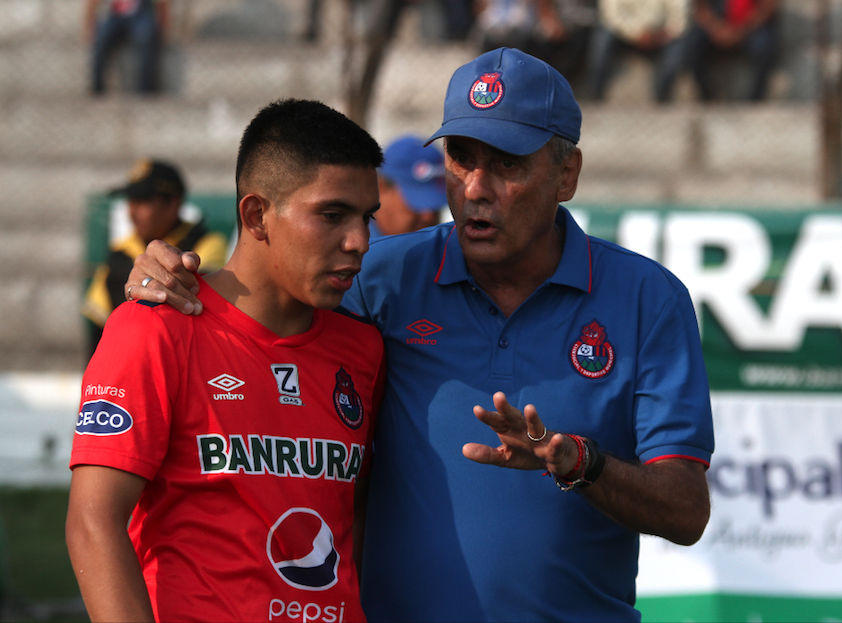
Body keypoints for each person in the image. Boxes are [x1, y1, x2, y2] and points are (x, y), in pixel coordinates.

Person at [127, 48, 714, 622]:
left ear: (567, 174)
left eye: (507, 163)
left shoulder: (647, 300)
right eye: (461, 157)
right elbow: (262, 317)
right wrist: (170, 276)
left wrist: (578, 462)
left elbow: (687, 511)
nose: (476, 187)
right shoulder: (379, 279)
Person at [66, 99, 386, 622]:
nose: (359, 241)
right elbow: (92, 522)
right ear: (257, 215)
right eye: (332, 215)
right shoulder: (155, 327)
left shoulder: (364, 348)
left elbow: (360, 517)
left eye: (366, 217)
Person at [82, 158, 228, 356]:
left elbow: (205, 299)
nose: (133, 211)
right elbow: (100, 328)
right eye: (130, 201)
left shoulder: (206, 244)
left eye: (143, 201)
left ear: (174, 203)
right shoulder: (119, 252)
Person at [655, 0, 779, 102]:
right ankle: (707, 95)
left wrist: (740, 32)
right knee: (691, 43)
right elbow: (699, 8)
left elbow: (767, 8)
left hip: (749, 28)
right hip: (715, 27)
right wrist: (717, 29)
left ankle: (756, 99)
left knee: (764, 44)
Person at [85, 0, 168, 95]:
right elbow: (92, 2)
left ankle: (146, 91)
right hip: (114, 16)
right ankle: (97, 89)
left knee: (146, 38)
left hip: (141, 15)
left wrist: (162, 29)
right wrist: (89, 28)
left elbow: (163, 3)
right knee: (100, 38)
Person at [372, 135, 446, 238]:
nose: (428, 217)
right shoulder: (348, 248)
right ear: (380, 188)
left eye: (435, 205)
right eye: (418, 201)